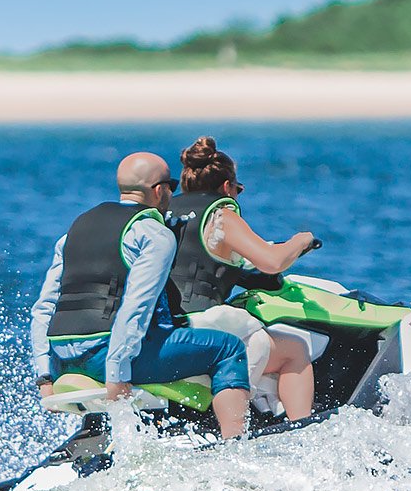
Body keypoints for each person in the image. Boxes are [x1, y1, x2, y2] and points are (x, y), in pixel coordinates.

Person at [30, 150, 253, 438]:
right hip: (106, 357)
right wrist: (117, 374)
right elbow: (136, 306)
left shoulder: (73, 232)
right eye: (171, 186)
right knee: (229, 349)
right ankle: (235, 444)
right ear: (159, 190)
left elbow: (43, 308)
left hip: (62, 358)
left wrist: (44, 376)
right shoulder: (154, 234)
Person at [166, 136, 322, 420]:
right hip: (202, 324)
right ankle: (302, 429)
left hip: (165, 325)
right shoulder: (221, 215)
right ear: (227, 187)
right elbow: (272, 262)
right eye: (238, 189)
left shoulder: (164, 212)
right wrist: (300, 241)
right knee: (294, 349)